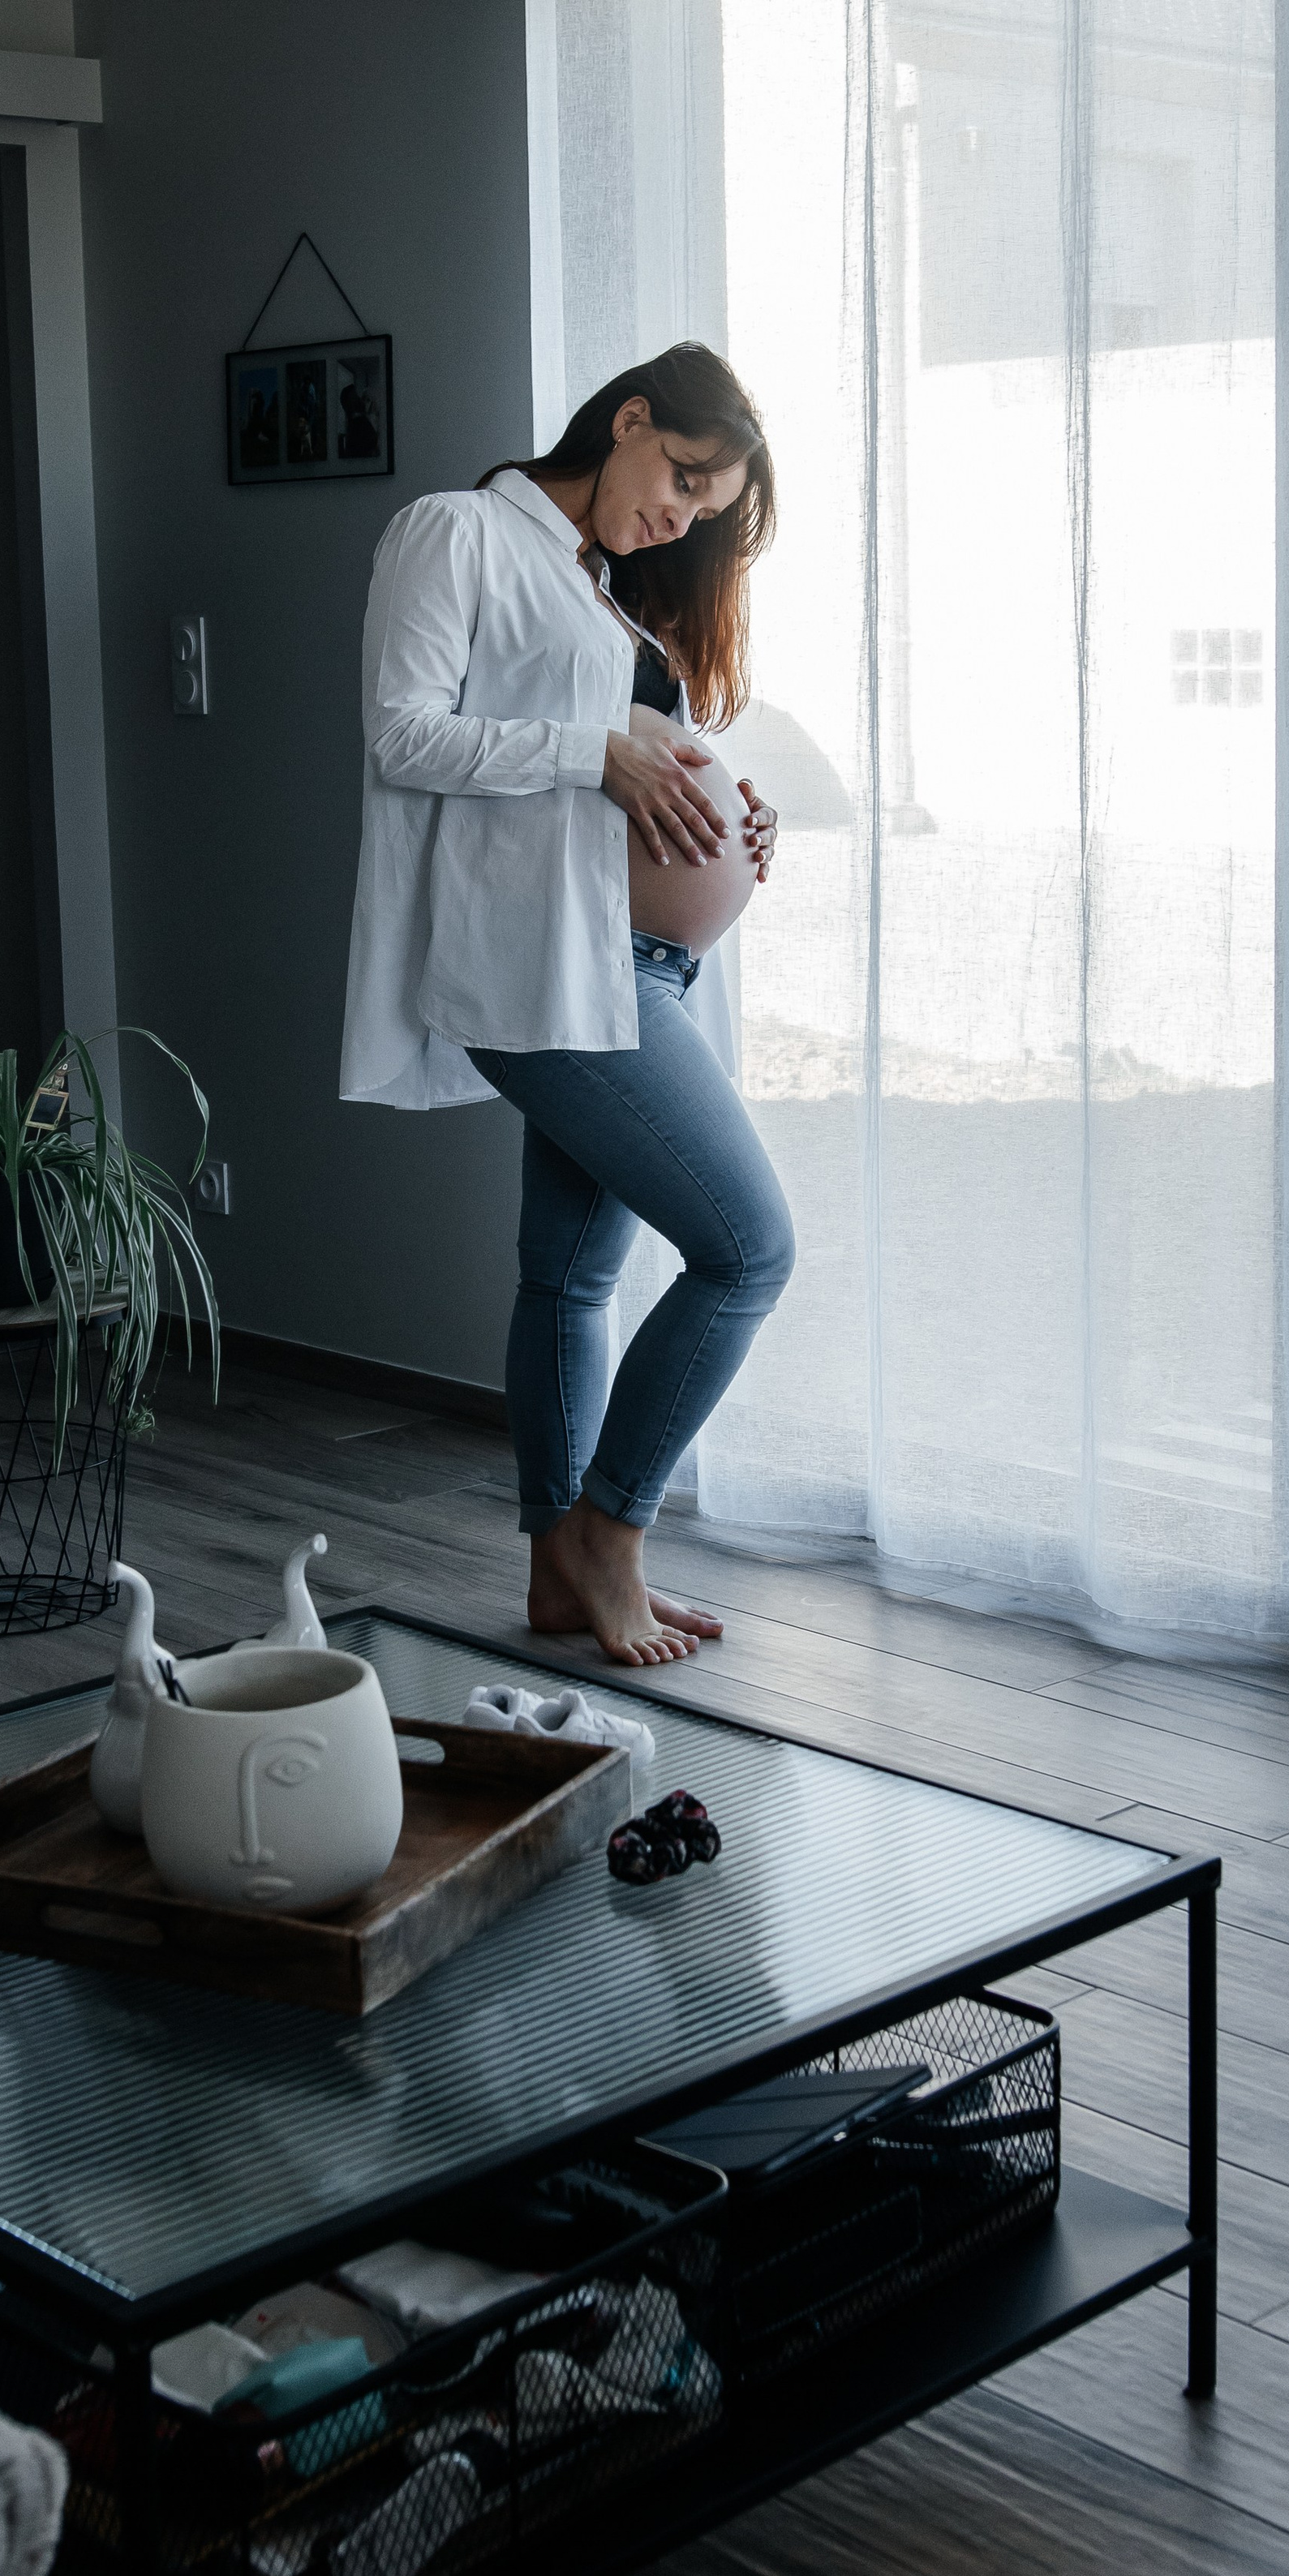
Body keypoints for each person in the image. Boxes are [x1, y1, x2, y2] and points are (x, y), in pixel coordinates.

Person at [342, 342, 790, 1668]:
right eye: (684, 478)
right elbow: (403, 732)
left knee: (570, 1273)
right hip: (544, 972)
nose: (681, 515)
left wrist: (718, 789)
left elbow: (613, 758)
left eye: (706, 511)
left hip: (631, 965)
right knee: (746, 1250)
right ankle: (611, 1531)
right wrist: (602, 752)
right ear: (632, 418)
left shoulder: (595, 587)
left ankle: (554, 1566)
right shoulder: (459, 533)